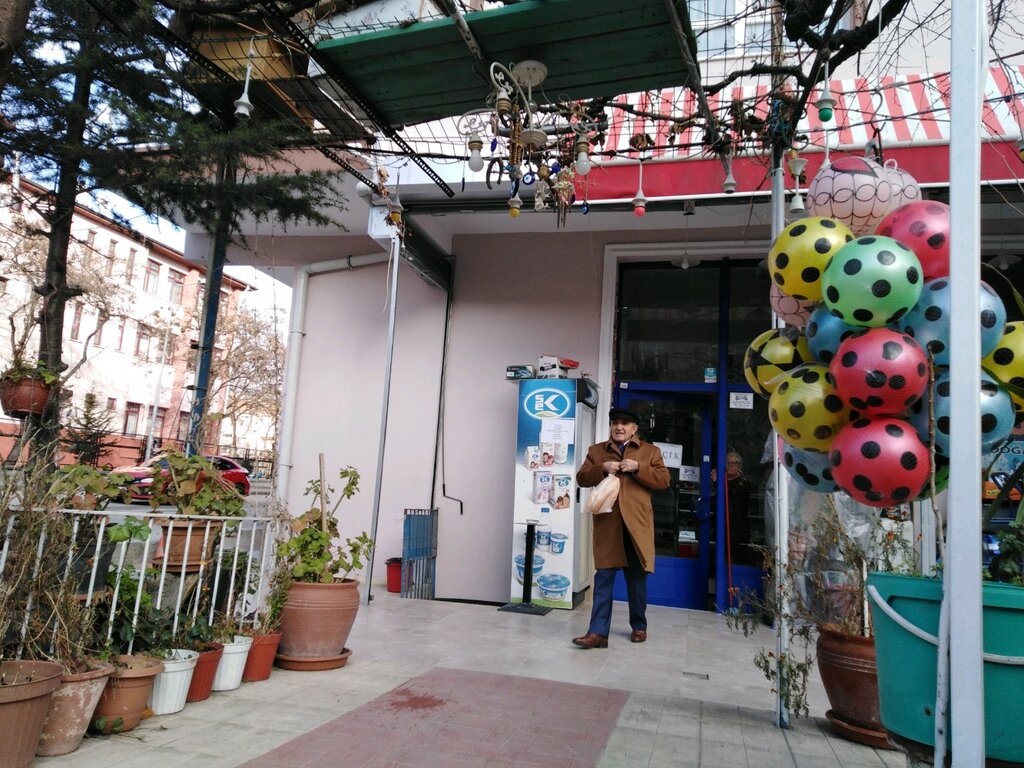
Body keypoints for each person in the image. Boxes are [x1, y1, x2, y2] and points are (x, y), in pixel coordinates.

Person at [572, 407, 670, 648]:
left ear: (634, 429)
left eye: (625, 423)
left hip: (636, 527)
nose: (619, 427)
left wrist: (638, 468)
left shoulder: (650, 451)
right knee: (603, 578)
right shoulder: (596, 451)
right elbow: (582, 478)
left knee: (636, 581)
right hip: (608, 526)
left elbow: (664, 480)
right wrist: (602, 468)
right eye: (615, 422)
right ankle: (597, 633)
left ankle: (639, 626)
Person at [713, 451, 754, 566]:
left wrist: (717, 484)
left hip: (737, 527)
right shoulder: (723, 480)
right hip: (722, 524)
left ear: (739, 465)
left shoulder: (743, 482)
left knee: (736, 558)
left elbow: (732, 496)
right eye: (728, 462)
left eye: (734, 462)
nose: (731, 465)